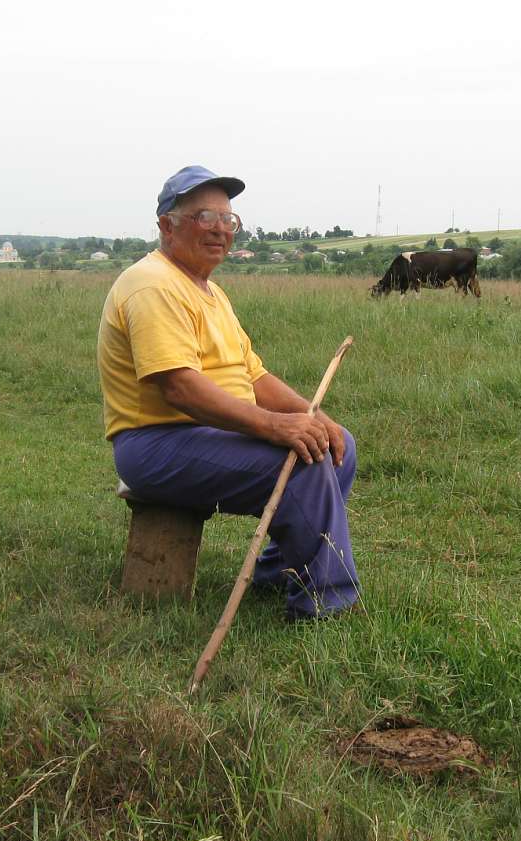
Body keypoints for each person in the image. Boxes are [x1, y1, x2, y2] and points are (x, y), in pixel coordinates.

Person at [97, 165, 361, 620]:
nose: (221, 229)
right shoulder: (152, 285)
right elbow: (180, 389)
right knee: (303, 459)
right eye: (205, 217)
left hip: (203, 436)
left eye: (228, 219)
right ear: (167, 226)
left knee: (337, 445)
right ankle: (324, 605)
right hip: (157, 443)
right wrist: (275, 427)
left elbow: (254, 378)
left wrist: (311, 416)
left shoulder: (210, 293)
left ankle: (281, 572)